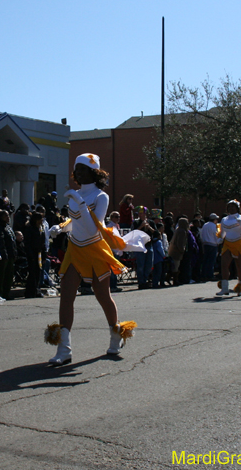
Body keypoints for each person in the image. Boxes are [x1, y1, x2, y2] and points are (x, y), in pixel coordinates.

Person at [46, 153, 135, 366]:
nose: (77, 172)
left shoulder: (101, 196)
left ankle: (116, 334)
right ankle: (64, 349)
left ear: (94, 172)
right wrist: (61, 227)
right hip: (74, 249)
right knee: (66, 296)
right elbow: (75, 222)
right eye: (76, 169)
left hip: (94, 249)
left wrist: (79, 202)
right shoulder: (75, 194)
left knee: (103, 295)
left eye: (82, 169)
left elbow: (93, 227)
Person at [216, 201, 241, 296]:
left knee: (239, 266)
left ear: (237, 208)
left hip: (239, 243)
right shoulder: (224, 219)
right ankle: (225, 288)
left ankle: (240, 287)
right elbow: (223, 232)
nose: (231, 208)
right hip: (228, 244)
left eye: (233, 207)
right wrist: (220, 238)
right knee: (224, 265)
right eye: (229, 207)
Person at [0, 210, 17, 300]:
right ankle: (0, 293)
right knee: (1, 275)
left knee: (9, 275)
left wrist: (14, 253)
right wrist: (3, 254)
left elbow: (13, 241)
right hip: (3, 256)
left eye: (8, 216)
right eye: (5, 216)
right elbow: (0, 242)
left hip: (11, 254)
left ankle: (7, 293)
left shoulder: (8, 227)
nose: (8, 217)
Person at [132, 206, 157, 289]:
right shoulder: (136, 222)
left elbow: (156, 233)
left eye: (141, 213)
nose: (140, 215)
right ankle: (141, 282)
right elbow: (133, 233)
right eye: (139, 213)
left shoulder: (151, 222)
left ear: (145, 214)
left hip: (149, 245)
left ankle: (145, 279)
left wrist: (149, 227)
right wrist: (141, 226)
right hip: (140, 246)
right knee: (140, 265)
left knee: (149, 265)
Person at [24, 211, 45, 298]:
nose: (42, 220)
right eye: (40, 218)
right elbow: (27, 243)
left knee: (38, 272)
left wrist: (44, 255)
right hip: (32, 253)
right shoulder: (30, 229)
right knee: (32, 272)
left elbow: (43, 242)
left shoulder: (41, 228)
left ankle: (37, 289)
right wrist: (30, 255)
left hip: (39, 253)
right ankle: (30, 291)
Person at [199, 214, 220, 281]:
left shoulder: (205, 225)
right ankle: (210, 275)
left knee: (205, 260)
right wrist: (218, 242)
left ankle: (203, 275)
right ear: (214, 219)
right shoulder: (214, 226)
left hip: (205, 244)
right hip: (213, 244)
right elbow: (216, 235)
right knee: (211, 261)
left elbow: (202, 234)